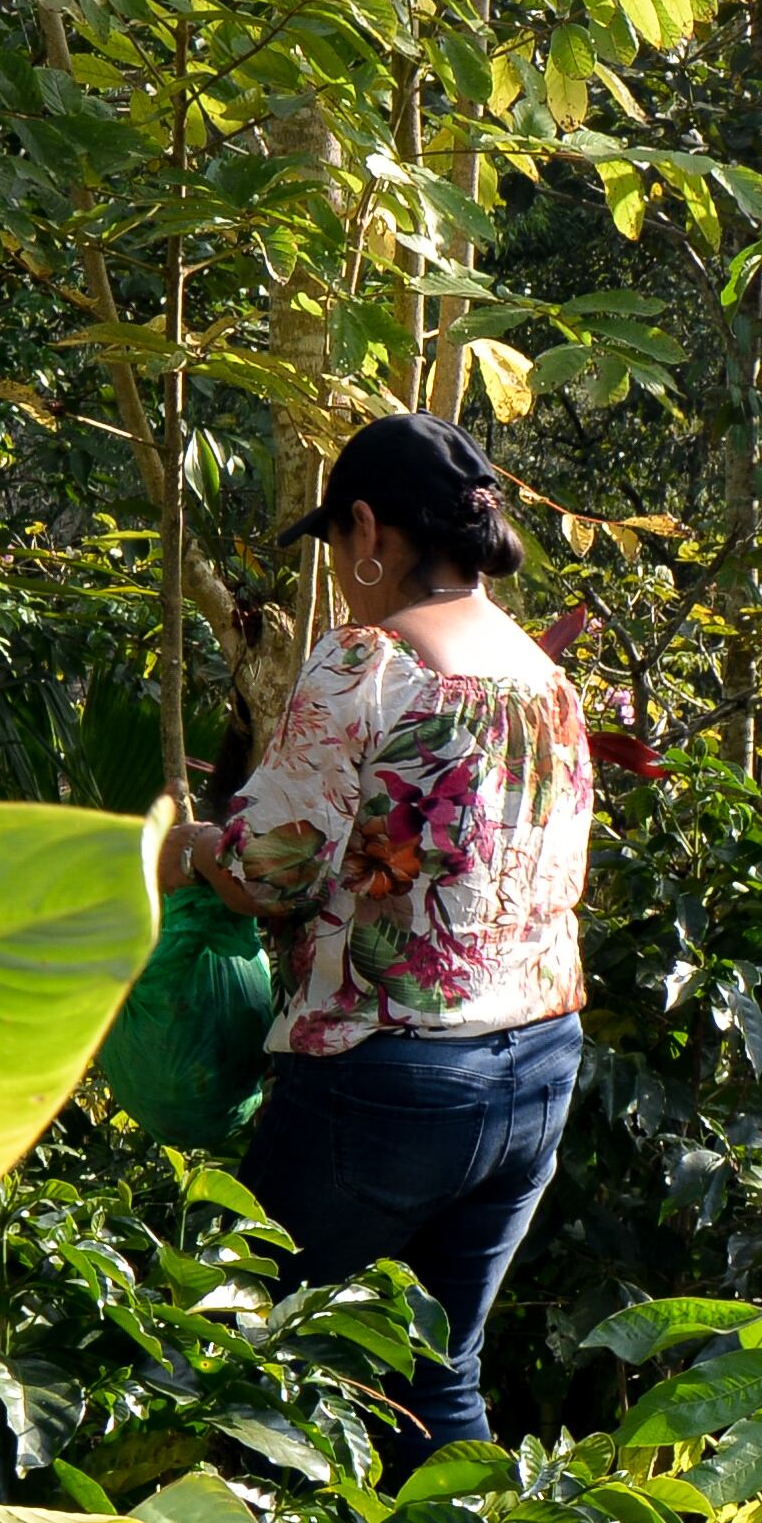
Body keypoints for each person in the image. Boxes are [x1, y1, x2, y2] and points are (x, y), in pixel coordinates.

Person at [170, 412, 594, 1454]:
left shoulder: (367, 659)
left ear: (369, 530)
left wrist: (184, 851)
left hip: (385, 1082)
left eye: (337, 547)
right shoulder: (546, 683)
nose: (340, 574)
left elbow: (272, 871)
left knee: (246, 1359)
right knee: (433, 1377)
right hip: (535, 1067)